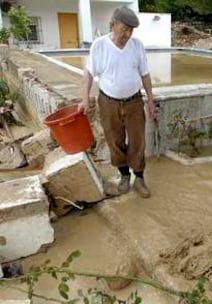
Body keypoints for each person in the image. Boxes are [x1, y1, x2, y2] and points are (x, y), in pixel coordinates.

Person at [78, 6, 156, 197]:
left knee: (138, 141)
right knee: (115, 140)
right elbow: (89, 73)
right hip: (108, 102)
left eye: (131, 30)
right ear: (113, 25)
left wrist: (151, 100)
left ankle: (139, 178)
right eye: (124, 30)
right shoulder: (99, 45)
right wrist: (85, 98)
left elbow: (145, 74)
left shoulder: (137, 45)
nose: (128, 34)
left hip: (134, 101)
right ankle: (123, 176)